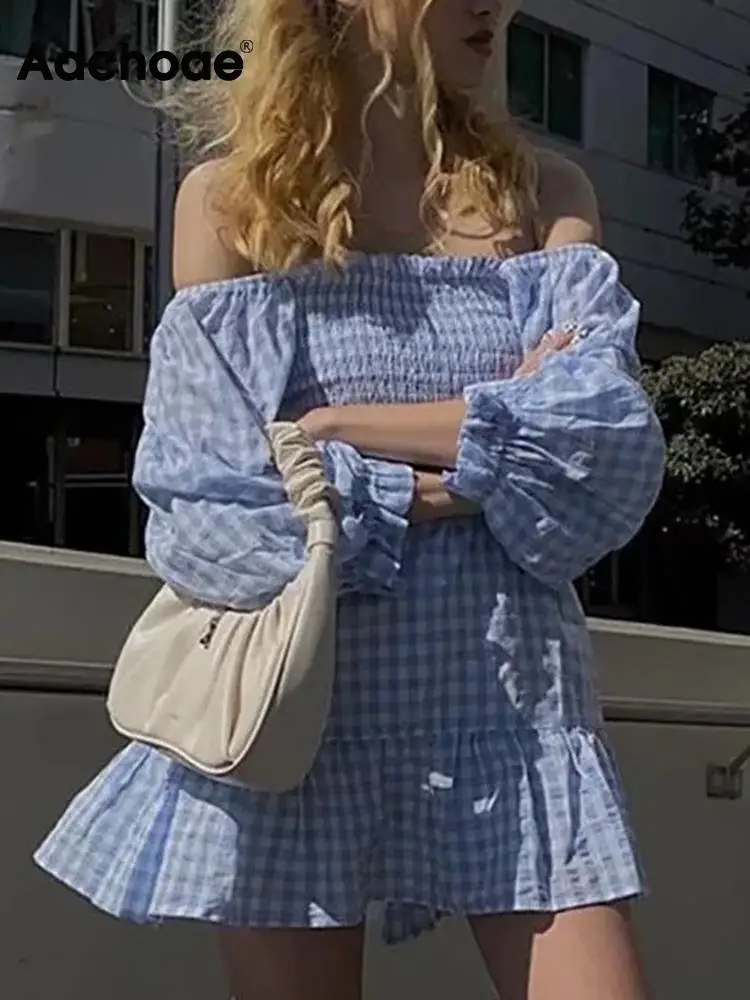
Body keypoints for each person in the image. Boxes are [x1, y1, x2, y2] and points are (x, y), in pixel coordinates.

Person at [34, 1, 666, 998]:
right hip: (295, 724)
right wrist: (472, 462)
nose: (496, 5)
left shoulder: (544, 198)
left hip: (516, 715)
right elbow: (212, 514)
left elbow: (602, 452)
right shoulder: (233, 207)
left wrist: (333, 430)